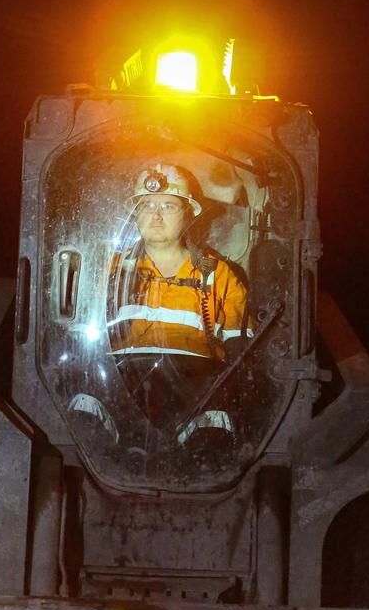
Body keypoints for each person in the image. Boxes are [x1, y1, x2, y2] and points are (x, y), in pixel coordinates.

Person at [70, 163, 249, 446]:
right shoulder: (113, 271)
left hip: (196, 385)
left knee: (216, 426)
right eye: (146, 205)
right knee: (84, 407)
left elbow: (241, 351)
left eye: (168, 206)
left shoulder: (217, 274)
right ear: (136, 215)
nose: (155, 215)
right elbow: (83, 344)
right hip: (121, 381)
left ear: (188, 214)